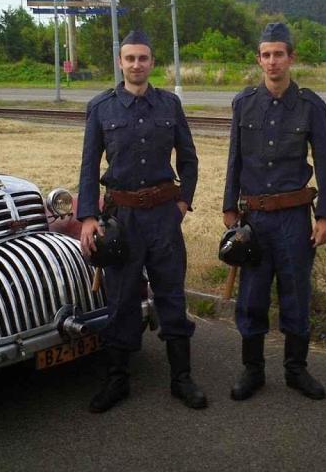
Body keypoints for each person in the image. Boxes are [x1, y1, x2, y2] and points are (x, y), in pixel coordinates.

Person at [77, 30, 207, 413]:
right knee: (120, 300)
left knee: (171, 295)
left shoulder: (169, 105)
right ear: (120, 62)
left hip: (164, 219)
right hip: (123, 220)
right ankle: (117, 380)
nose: (136, 65)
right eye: (130, 58)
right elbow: (89, 167)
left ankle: (181, 378)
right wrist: (88, 216)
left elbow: (189, 159)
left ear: (152, 63)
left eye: (143, 59)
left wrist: (183, 202)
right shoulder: (101, 108)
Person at [222, 22, 326, 402]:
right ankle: (252, 370)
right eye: (266, 55)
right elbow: (234, 158)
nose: (273, 62)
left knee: (296, 294)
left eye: (279, 54)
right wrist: (228, 207)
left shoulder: (311, 106)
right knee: (251, 296)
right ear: (259, 59)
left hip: (293, 218)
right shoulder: (243, 104)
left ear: (291, 57)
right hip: (253, 218)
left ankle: (296, 369)